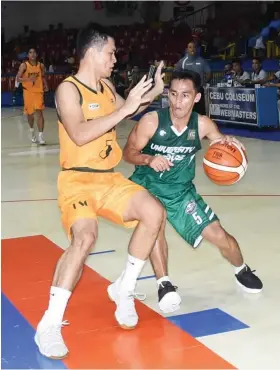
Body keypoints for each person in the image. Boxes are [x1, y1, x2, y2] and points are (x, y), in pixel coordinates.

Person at [34, 23, 180, 360]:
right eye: (111, 53)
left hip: (108, 178)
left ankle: (123, 288)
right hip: (77, 179)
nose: (115, 59)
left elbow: (128, 111)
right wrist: (126, 108)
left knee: (154, 212)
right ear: (93, 52)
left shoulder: (105, 85)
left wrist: (151, 94)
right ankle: (50, 324)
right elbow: (80, 133)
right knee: (84, 237)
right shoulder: (68, 90)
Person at [123, 70, 263, 305]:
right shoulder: (152, 121)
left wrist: (231, 143)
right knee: (154, 226)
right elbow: (128, 153)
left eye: (185, 96)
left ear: (196, 98)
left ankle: (241, 269)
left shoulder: (202, 125)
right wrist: (148, 159)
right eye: (173, 94)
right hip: (147, 186)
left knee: (219, 236)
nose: (177, 102)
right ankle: (164, 283)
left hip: (180, 191)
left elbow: (220, 142)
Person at [16, 48, 48, 144]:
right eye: (30, 52)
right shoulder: (24, 65)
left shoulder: (41, 65)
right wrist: (28, 79)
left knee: (39, 113)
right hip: (28, 92)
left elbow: (42, 76)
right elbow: (18, 79)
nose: (32, 54)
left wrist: (46, 84)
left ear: (37, 54)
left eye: (34, 52)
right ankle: (32, 131)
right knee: (30, 114)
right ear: (28, 55)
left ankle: (41, 136)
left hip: (38, 92)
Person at [175, 41, 211, 115]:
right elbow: (175, 74)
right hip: (186, 91)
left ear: (197, 49)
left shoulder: (202, 61)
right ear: (187, 49)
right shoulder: (182, 61)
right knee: (187, 111)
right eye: (190, 47)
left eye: (194, 47)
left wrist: (204, 82)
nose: (192, 49)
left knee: (200, 112)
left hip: (199, 90)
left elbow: (209, 73)